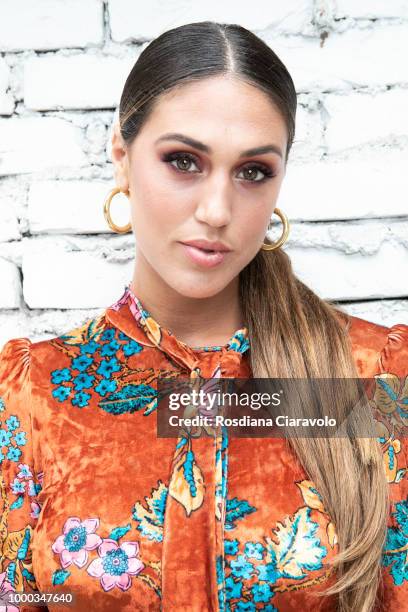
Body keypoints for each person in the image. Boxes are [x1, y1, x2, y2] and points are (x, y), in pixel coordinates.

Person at [0, 20, 407, 612]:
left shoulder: (374, 376)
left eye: (253, 172)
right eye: (184, 161)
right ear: (121, 157)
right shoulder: (31, 395)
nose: (217, 210)